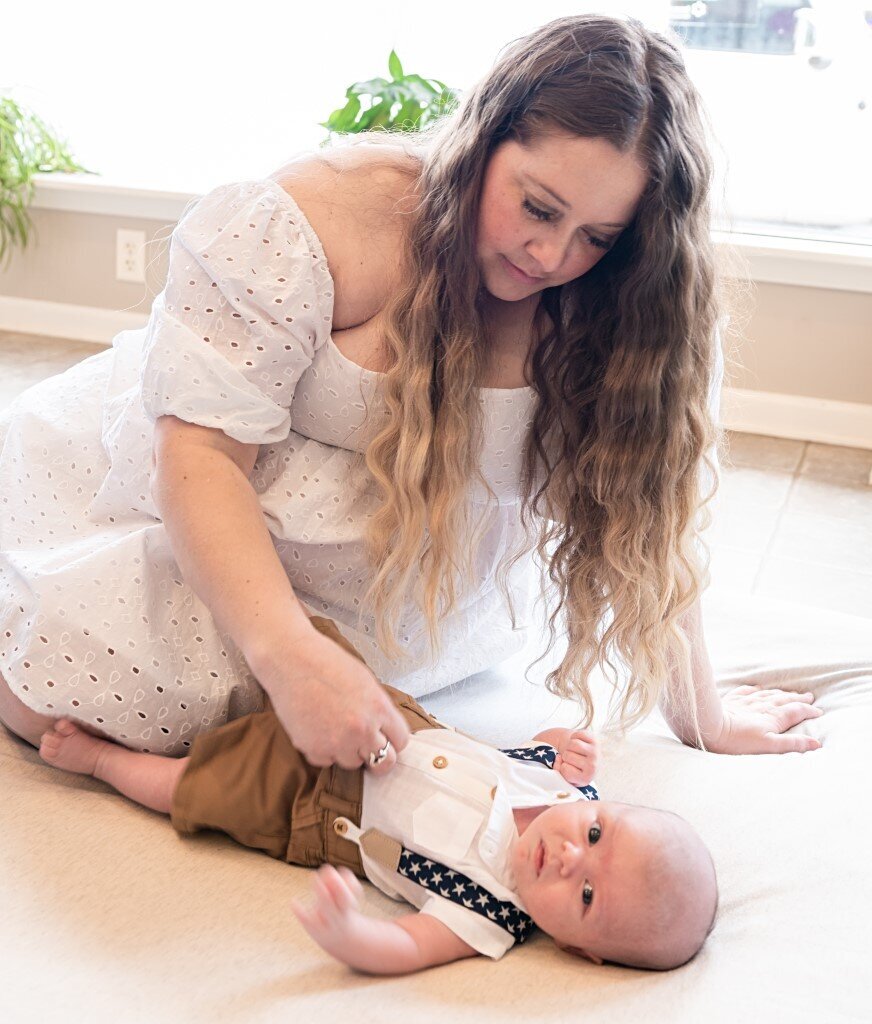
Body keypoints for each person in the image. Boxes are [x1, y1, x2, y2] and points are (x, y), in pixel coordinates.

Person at [0, 15, 823, 773]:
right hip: (211, 541)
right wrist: (290, 655)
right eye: (537, 206)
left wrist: (703, 717)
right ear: (483, 140)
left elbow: (652, 514)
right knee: (52, 698)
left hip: (401, 613)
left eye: (597, 237)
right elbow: (201, 455)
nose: (551, 253)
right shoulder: (317, 218)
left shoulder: (636, 301)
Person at [36, 615, 718, 974]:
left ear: (579, 950)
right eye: (598, 834)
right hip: (384, 722)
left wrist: (353, 936)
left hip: (316, 803)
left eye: (588, 897)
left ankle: (101, 760)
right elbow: (532, 748)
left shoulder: (492, 914)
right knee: (305, 640)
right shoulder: (560, 790)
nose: (572, 857)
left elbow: (410, 946)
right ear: (601, 808)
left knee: (202, 788)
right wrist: (565, 743)